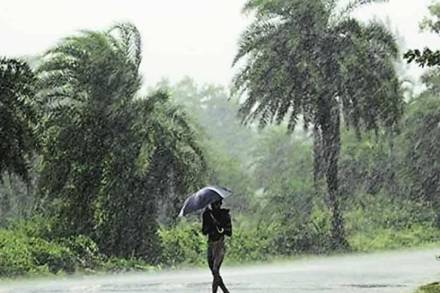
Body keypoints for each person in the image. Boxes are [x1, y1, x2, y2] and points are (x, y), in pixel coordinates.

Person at [202, 199, 232, 293]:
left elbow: (229, 232)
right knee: (214, 273)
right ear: (211, 204)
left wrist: (219, 226)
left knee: (215, 270)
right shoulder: (207, 215)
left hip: (220, 245)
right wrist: (210, 224)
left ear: (221, 203)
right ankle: (225, 291)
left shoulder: (225, 215)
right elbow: (204, 231)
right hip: (210, 244)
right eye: (214, 204)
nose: (217, 205)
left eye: (218, 203)